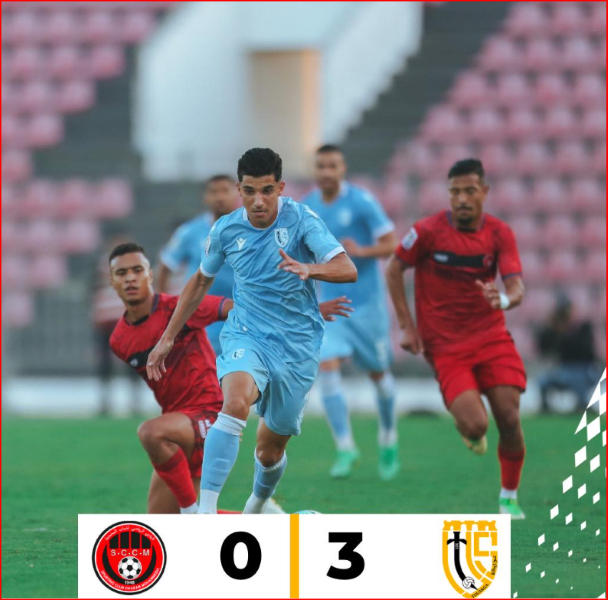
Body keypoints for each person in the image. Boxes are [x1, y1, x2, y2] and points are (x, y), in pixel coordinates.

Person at [146, 147, 357, 515]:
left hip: (297, 347)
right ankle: (206, 512)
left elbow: (346, 268)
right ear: (239, 190)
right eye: (249, 191)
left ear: (280, 188)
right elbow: (200, 281)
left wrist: (310, 269)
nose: (258, 201)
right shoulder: (226, 229)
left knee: (270, 450)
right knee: (235, 402)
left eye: (267, 191)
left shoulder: (301, 219)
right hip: (247, 333)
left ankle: (255, 507)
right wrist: (167, 336)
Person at [385, 158, 528, 519]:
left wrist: (504, 299)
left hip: (491, 338)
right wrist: (406, 326)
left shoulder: (499, 234)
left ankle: (509, 498)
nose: (462, 199)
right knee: (477, 425)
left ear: (484, 191)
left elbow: (516, 286)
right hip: (445, 347)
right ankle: (469, 427)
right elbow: (394, 267)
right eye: (455, 192)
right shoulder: (427, 231)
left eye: (469, 191)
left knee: (509, 417)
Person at [301, 144, 399, 480]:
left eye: (333, 166)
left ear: (343, 169)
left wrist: (363, 251)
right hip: (333, 305)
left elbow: (391, 243)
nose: (327, 172)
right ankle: (345, 447)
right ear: (315, 170)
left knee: (380, 376)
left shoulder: (362, 202)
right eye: (321, 166)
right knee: (326, 364)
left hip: (368, 306)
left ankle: (388, 436)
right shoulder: (308, 207)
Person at [156, 175, 238, 356]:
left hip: (241, 319)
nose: (220, 197)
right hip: (203, 323)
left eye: (225, 190)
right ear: (205, 197)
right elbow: (165, 267)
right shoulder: (190, 232)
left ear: (237, 193)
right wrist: (163, 311)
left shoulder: (251, 228)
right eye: (214, 192)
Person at [91, 236, 142, 417]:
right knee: (105, 363)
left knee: (133, 361)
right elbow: (92, 291)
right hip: (105, 320)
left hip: (127, 320)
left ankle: (134, 402)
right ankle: (105, 401)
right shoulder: (99, 265)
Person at [536, 295, 601, 412]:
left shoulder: (584, 327)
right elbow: (543, 349)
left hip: (584, 368)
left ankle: (583, 405)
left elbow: (585, 350)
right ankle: (545, 407)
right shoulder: (555, 329)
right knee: (543, 381)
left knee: (576, 379)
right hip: (564, 368)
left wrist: (565, 332)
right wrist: (552, 328)